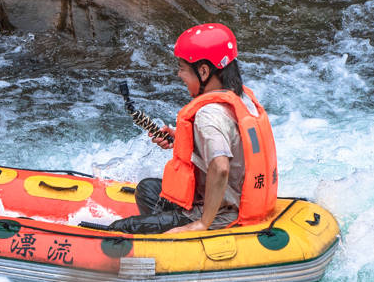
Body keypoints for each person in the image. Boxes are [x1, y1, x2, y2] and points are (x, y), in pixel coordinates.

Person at [106, 23, 278, 234]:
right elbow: (232, 148)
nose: (179, 75)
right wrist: (183, 140)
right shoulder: (242, 98)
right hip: (241, 201)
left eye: (182, 68)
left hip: (220, 215)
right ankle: (166, 238)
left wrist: (202, 223)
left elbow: (221, 166)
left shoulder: (209, 114)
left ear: (204, 71)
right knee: (147, 189)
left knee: (120, 230)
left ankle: (177, 240)